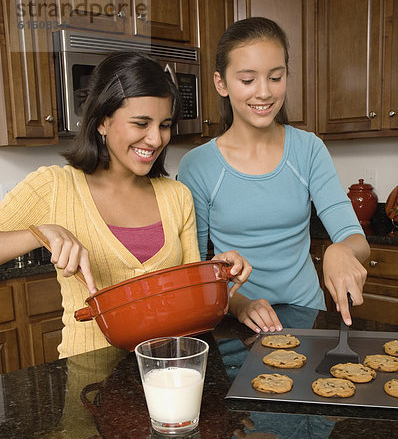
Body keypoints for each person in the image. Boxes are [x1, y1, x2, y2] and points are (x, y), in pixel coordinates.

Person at [0, 52, 251, 357]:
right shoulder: (54, 187)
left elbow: (188, 299)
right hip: (90, 380)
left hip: (169, 370)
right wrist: (39, 233)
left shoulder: (177, 196)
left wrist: (216, 271)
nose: (156, 139)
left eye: (164, 125)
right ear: (103, 121)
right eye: (141, 123)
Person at [179, 17, 370, 334]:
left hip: (308, 317)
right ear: (221, 83)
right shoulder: (197, 165)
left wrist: (342, 250)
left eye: (275, 77)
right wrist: (240, 305)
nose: (264, 92)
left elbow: (356, 239)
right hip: (237, 325)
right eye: (247, 80)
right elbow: (196, 271)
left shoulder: (308, 149)